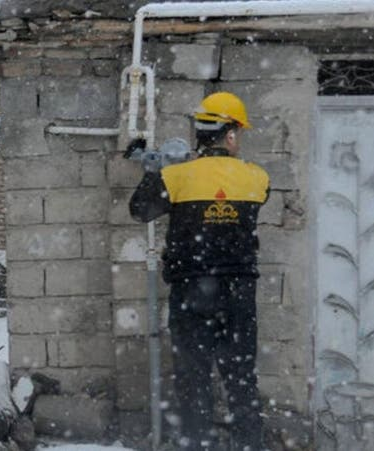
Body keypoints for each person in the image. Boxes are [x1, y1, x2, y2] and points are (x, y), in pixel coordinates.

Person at [128, 92, 270, 451]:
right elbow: (258, 197)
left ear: (200, 132)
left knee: (193, 381)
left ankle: (197, 444)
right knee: (241, 380)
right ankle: (248, 444)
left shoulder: (175, 177)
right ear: (231, 134)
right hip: (238, 295)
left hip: (191, 294)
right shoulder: (257, 178)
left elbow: (140, 209)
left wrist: (154, 170)